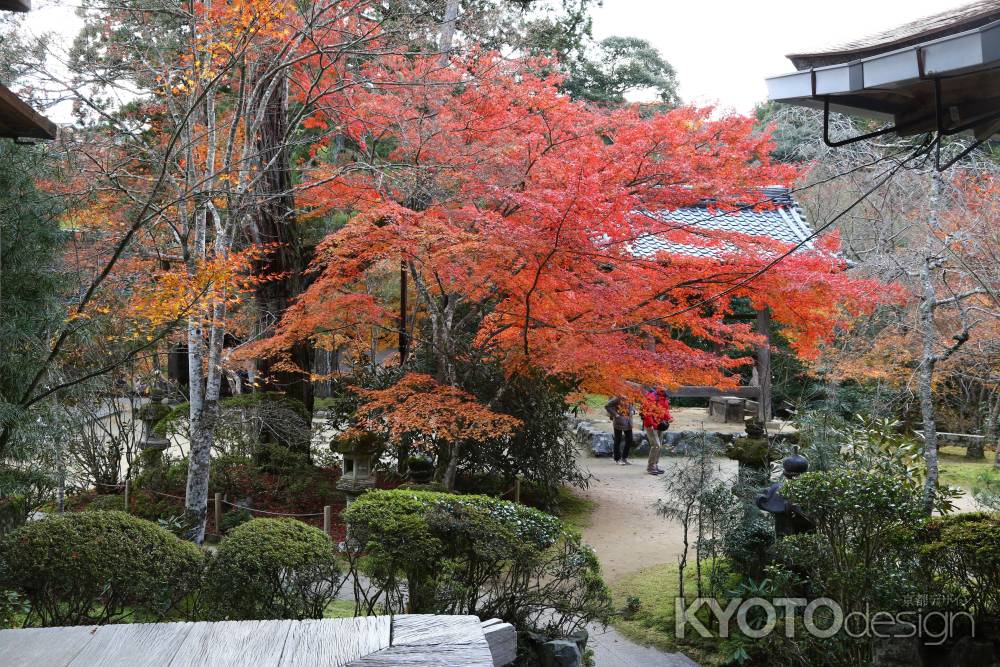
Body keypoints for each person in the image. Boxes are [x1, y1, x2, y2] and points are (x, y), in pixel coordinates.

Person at [641, 387, 672, 475]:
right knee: (656, 445)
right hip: (651, 425)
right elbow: (647, 413)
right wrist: (652, 424)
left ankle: (655, 464)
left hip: (660, 424)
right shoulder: (651, 397)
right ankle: (650, 466)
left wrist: (669, 418)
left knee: (660, 445)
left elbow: (665, 410)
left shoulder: (665, 397)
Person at [604, 395, 635, 465]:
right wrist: (615, 414)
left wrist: (633, 410)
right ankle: (617, 458)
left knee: (630, 439)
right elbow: (607, 406)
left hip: (628, 422)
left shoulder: (631, 394)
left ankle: (624, 457)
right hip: (619, 422)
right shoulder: (618, 398)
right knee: (618, 439)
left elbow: (632, 405)